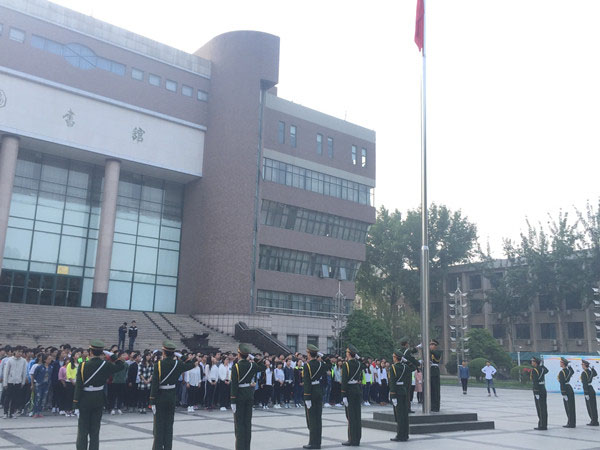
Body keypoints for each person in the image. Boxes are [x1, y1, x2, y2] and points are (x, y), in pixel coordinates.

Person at [73, 340, 125, 450]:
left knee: (82, 430)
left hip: (85, 399)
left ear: (90, 351)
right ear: (102, 352)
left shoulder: (83, 365)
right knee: (95, 430)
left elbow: (79, 386)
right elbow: (121, 365)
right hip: (98, 399)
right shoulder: (106, 365)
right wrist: (111, 355)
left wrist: (75, 403)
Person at [149, 341, 195, 450]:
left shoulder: (158, 365)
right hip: (171, 397)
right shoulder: (177, 364)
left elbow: (155, 384)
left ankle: (158, 448)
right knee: (169, 425)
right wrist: (181, 356)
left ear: (164, 352)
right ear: (173, 353)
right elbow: (192, 364)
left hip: (160, 397)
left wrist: (152, 400)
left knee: (159, 426)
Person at [230, 343, 265, 450]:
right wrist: (255, 358)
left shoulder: (236, 367)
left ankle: (240, 447)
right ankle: (246, 447)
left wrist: (233, 400)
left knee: (239, 423)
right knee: (247, 422)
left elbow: (234, 385)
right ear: (247, 355)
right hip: (249, 394)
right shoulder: (252, 365)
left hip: (239, 396)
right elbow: (263, 367)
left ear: (239, 354)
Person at [302, 344, 331, 449]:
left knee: (312, 419)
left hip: (311, 393)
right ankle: (317, 442)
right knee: (318, 418)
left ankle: (313, 443)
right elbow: (329, 364)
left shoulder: (307, 366)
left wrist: (307, 397)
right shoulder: (321, 364)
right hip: (319, 391)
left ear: (309, 354)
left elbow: (307, 383)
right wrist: (322, 356)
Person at [389, 348, 417, 442]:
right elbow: (414, 367)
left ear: (395, 358)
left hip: (396, 393)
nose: (393, 358)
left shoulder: (393, 368)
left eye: (393, 357)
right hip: (404, 392)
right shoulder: (405, 367)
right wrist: (405, 360)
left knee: (399, 415)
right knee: (404, 414)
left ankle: (400, 435)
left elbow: (392, 383)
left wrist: (392, 395)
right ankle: (405, 434)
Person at [341, 344, 365, 447]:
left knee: (351, 416)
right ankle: (357, 439)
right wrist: (358, 357)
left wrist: (343, 394)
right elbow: (364, 364)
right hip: (357, 389)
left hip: (349, 391)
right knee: (357, 415)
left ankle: (352, 439)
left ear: (349, 354)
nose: (346, 354)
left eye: (347, 352)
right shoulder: (359, 364)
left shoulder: (346, 365)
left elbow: (344, 381)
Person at [2, 347, 27, 419]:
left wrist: (22, 382)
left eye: (21, 352)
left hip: (18, 382)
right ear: (15, 352)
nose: (20, 353)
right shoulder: (10, 360)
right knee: (8, 398)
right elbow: (6, 372)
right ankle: (5, 412)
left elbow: (24, 372)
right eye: (18, 352)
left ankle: (12, 413)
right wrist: (5, 383)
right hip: (10, 382)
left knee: (15, 398)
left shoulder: (23, 361)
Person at [530, 356, 549, 431]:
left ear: (535, 362)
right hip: (543, 389)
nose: (531, 362)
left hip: (538, 390)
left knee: (540, 408)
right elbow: (547, 370)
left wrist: (536, 392)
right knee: (544, 407)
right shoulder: (542, 369)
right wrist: (542, 365)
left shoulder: (534, 370)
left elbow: (535, 382)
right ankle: (544, 424)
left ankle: (542, 425)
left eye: (533, 361)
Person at [558, 357, 575, 428]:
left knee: (568, 407)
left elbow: (562, 383)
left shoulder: (562, 372)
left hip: (565, 389)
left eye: (560, 362)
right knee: (571, 407)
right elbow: (572, 371)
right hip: (569, 388)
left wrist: (563, 393)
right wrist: (570, 367)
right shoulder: (568, 371)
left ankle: (570, 423)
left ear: (563, 363)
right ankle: (572, 422)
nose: (560, 363)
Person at [581, 360, 598, 426]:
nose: (582, 365)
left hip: (588, 390)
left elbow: (584, 384)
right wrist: (592, 369)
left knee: (590, 406)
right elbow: (595, 374)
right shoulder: (590, 372)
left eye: (582, 364)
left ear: (585, 365)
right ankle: (595, 420)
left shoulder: (584, 373)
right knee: (594, 406)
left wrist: (586, 393)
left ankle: (593, 421)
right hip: (591, 389)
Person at [429, 339, 442, 412]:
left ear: (435, 346)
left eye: (432, 344)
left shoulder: (438, 352)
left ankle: (436, 406)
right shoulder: (430, 352)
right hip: (430, 371)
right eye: (430, 344)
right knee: (431, 390)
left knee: (435, 390)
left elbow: (435, 355)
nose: (430, 346)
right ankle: (431, 405)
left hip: (435, 371)